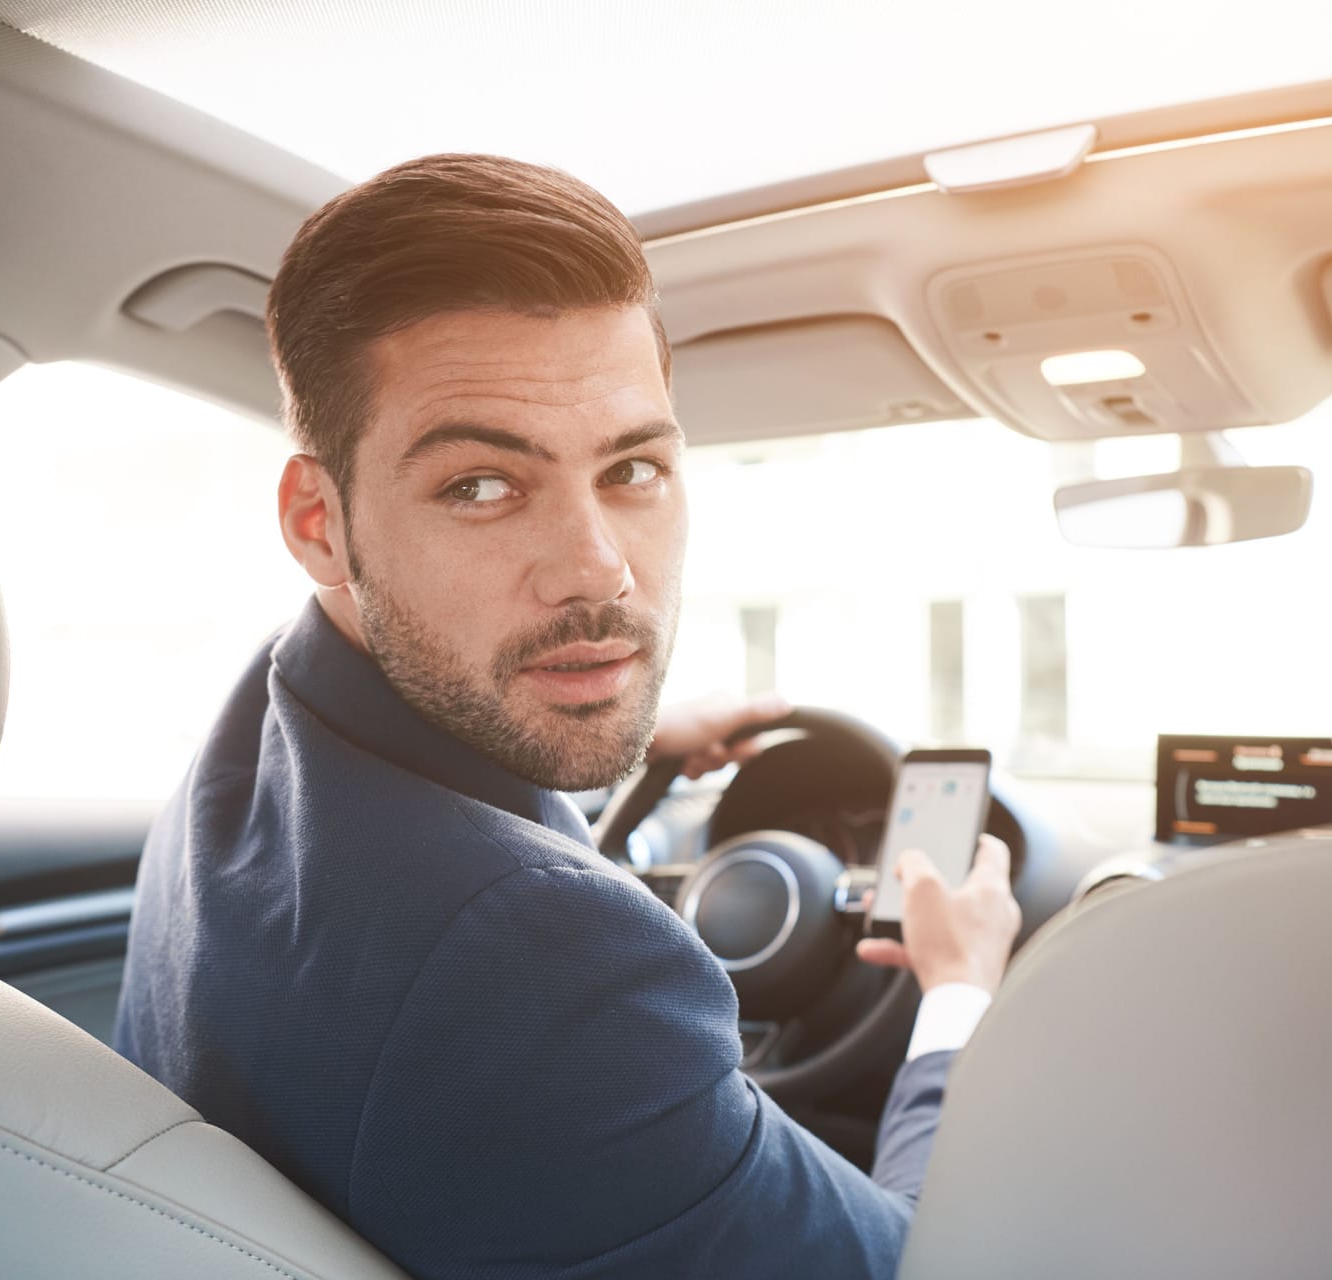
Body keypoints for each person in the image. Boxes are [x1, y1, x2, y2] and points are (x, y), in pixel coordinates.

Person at [113, 153, 1020, 1279]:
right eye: (481, 486)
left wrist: (611, 751)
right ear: (319, 521)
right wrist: (958, 996)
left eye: (633, 467)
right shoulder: (552, 968)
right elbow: (922, 1265)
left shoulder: (260, 732)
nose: (598, 575)